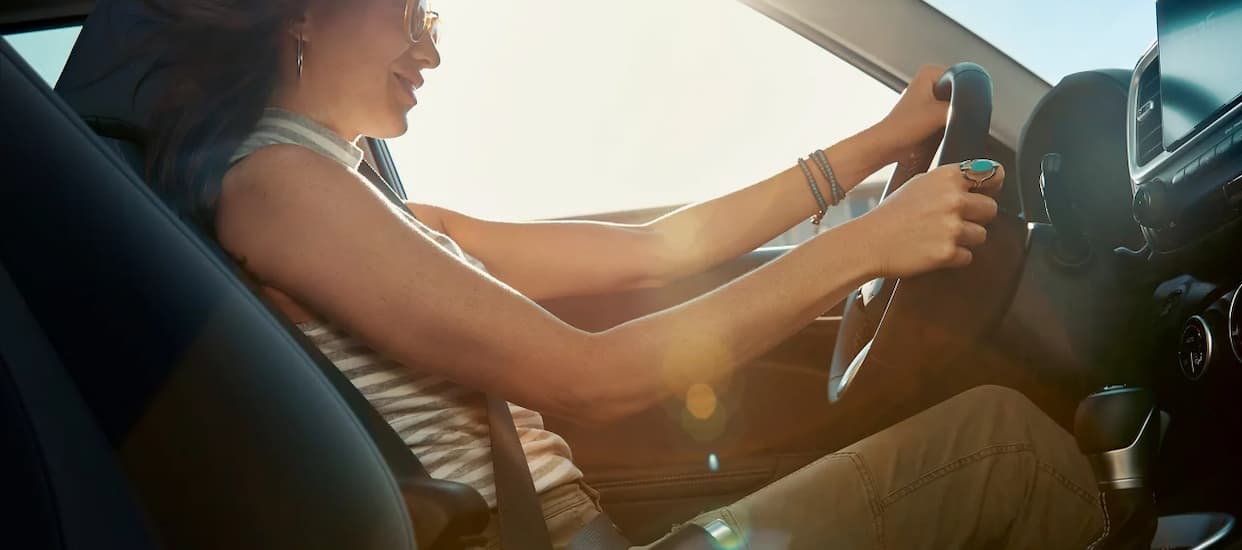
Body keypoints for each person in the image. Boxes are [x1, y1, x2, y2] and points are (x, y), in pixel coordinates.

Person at [142, 0, 1104, 548]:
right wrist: (867, 245)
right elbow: (584, 376)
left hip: (583, 529)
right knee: (1004, 448)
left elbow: (661, 249)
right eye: (409, 11)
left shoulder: (371, 208)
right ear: (305, 11)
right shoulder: (273, 185)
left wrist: (876, 145)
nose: (431, 46)